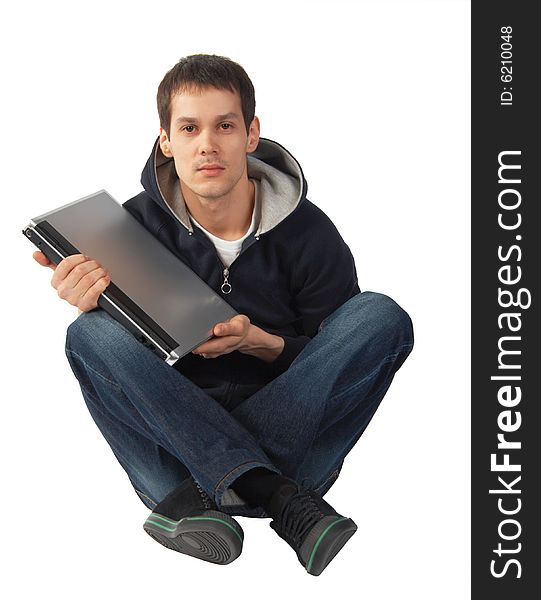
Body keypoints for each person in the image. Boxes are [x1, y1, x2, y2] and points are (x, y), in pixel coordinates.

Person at [32, 54, 414, 576]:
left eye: (225, 125)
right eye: (189, 128)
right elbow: (133, 370)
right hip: (190, 462)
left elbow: (334, 357)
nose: (207, 144)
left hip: (272, 458)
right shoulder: (129, 228)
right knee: (89, 332)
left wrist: (261, 342)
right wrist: (96, 299)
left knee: (378, 315)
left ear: (251, 134)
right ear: (166, 140)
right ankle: (269, 492)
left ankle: (228, 484)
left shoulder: (309, 233)